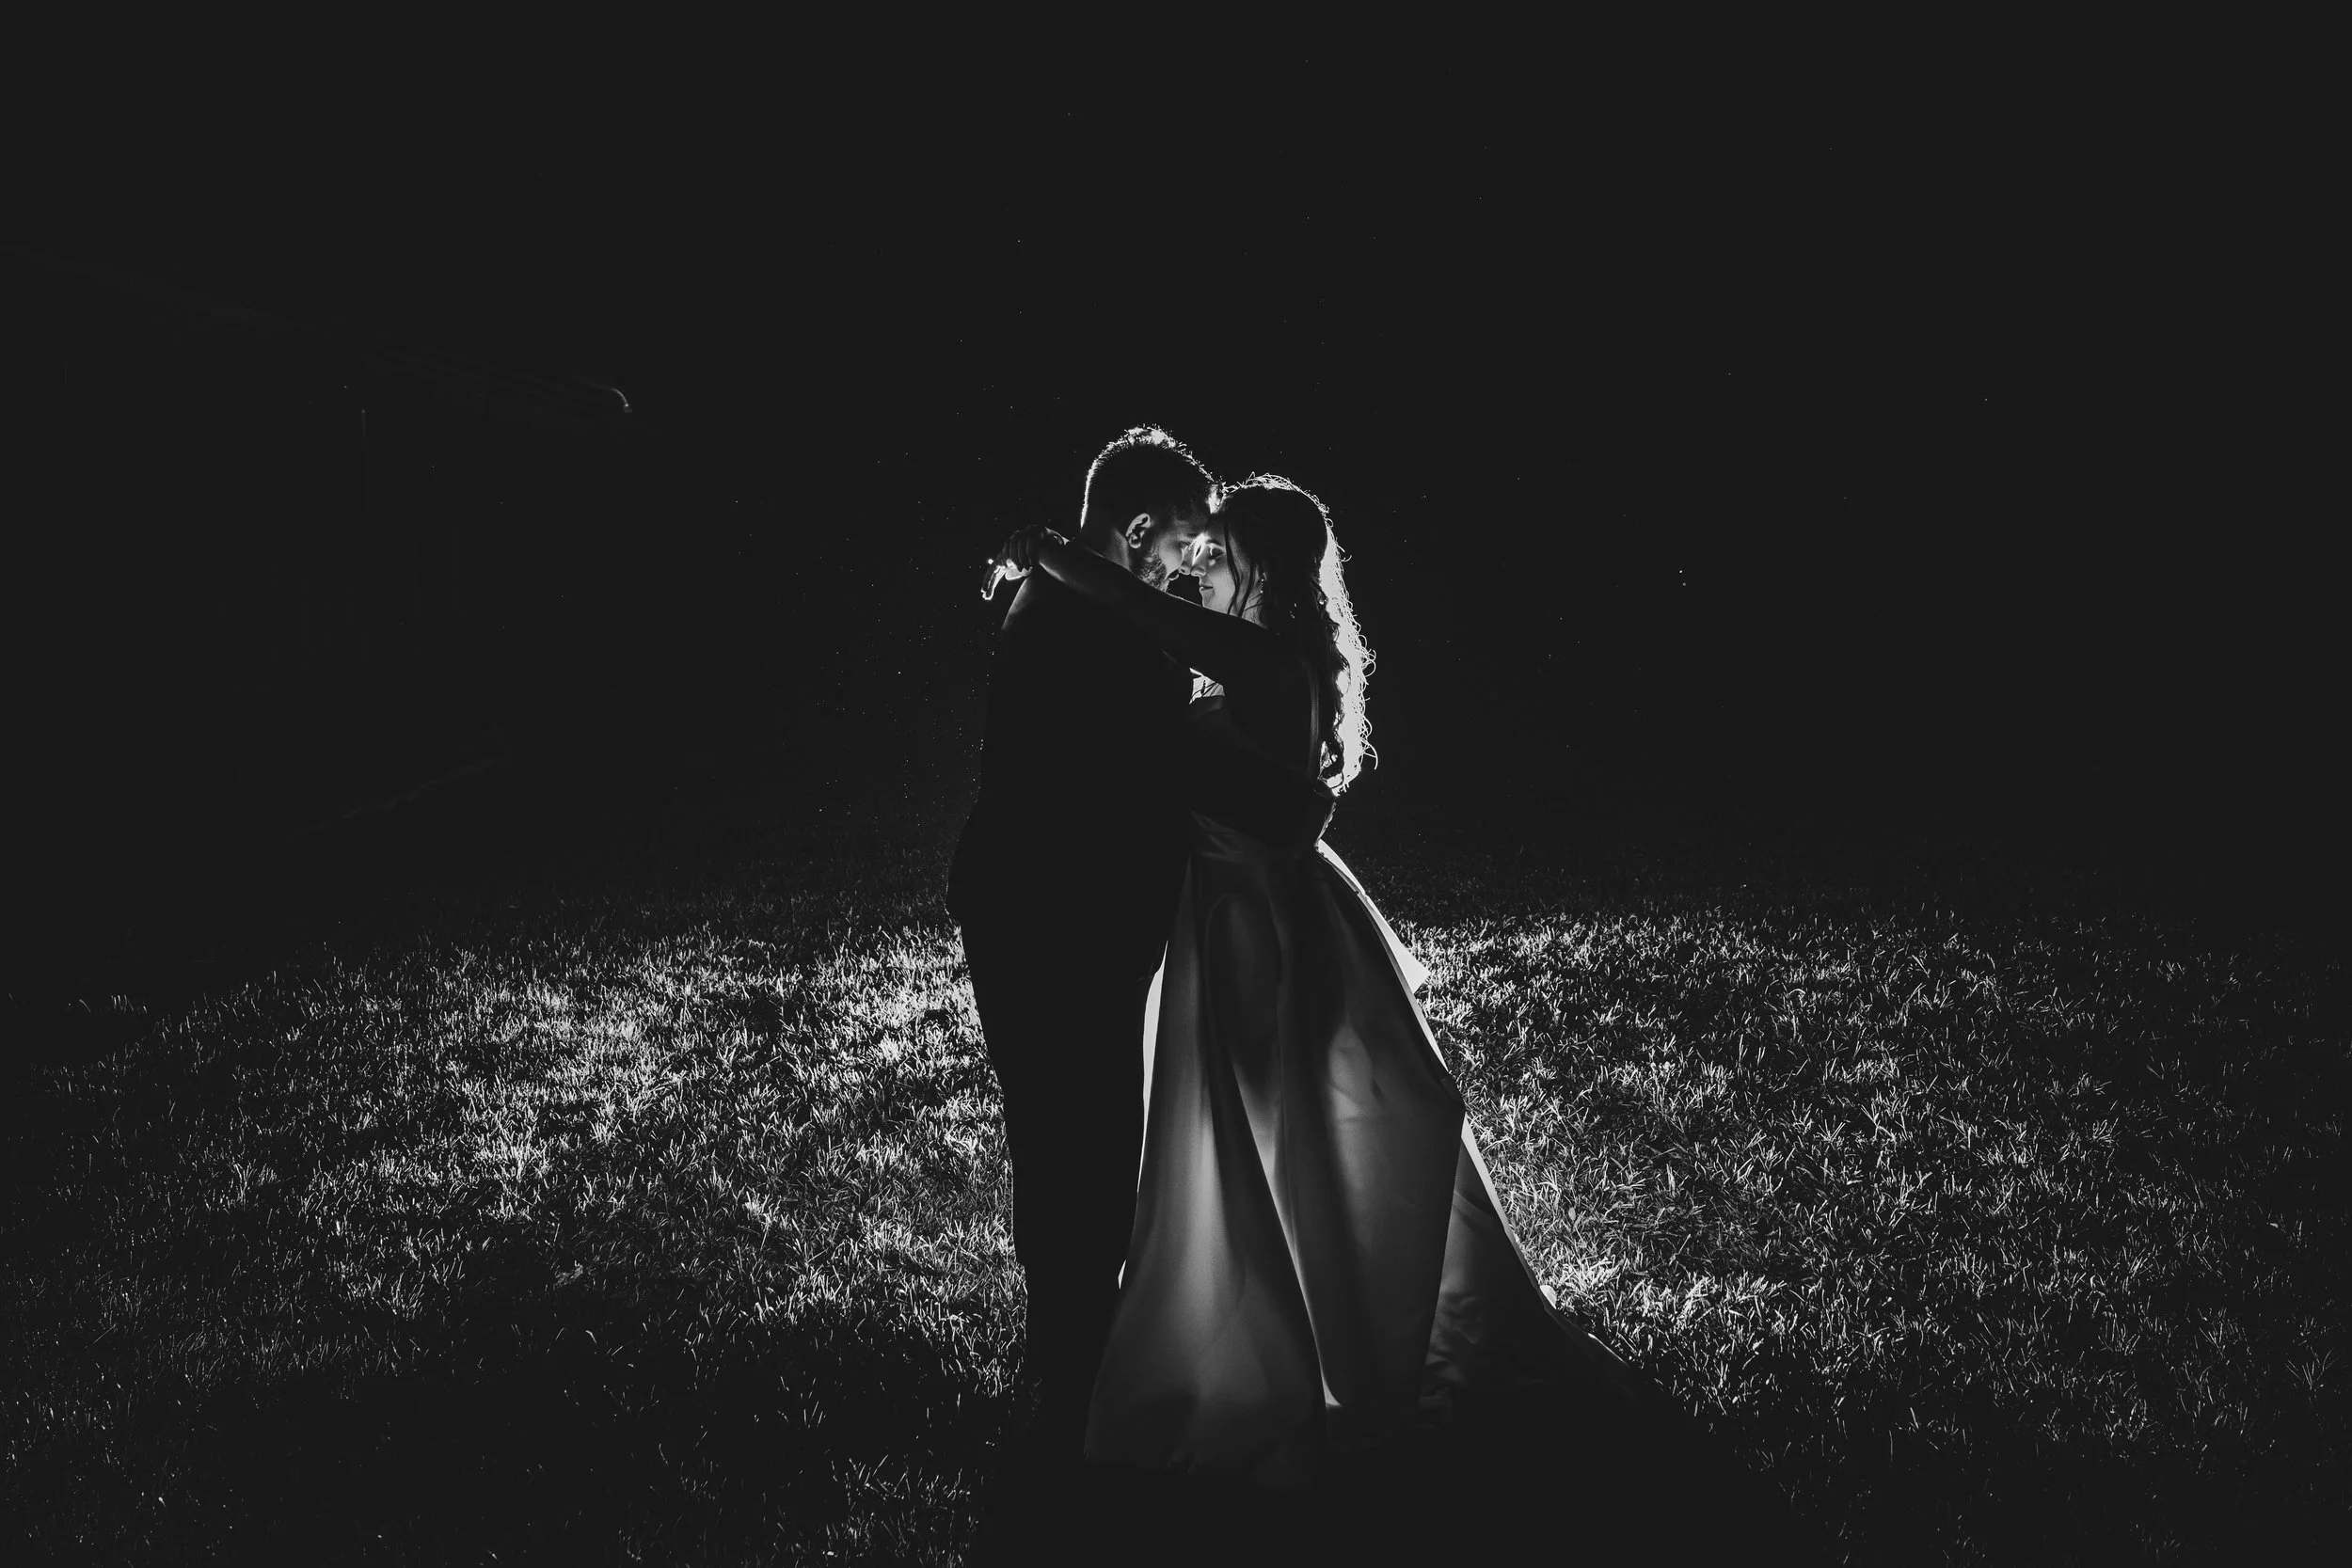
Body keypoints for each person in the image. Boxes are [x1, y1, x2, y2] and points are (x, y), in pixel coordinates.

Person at [990, 476, 1658, 1491]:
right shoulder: (1273, 656)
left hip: (1251, 926)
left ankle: (1273, 1347)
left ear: (1257, 559)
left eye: (1216, 548)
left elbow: (1138, 609)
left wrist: (1047, 548)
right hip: (1238, 912)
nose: (1196, 564)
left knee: (1269, 1137)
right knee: (1258, 1140)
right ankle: (1265, 1329)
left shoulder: (1258, 655)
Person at [946, 429, 1334, 1470]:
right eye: (1181, 542)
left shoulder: (1087, 605)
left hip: (1069, 912)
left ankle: (1072, 1356)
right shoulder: (1083, 624)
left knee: (1084, 1135)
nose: (1188, 565)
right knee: (1077, 1136)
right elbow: (1159, 760)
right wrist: (1299, 802)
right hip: (1050, 916)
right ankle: (1067, 1370)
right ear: (1135, 527)